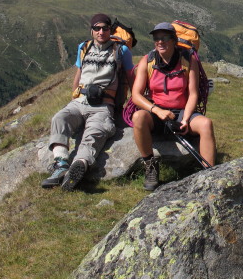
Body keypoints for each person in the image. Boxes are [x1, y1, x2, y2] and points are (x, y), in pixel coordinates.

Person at [41, 14, 134, 191]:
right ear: (91, 30)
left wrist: (134, 101)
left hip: (103, 104)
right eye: (97, 28)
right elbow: (79, 73)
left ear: (110, 30)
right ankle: (61, 164)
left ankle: (79, 165)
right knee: (60, 119)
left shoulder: (121, 50)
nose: (101, 32)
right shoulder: (83, 47)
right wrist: (74, 97)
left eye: (105, 28)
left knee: (96, 131)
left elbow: (131, 77)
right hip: (80, 100)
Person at [131, 22, 216, 191]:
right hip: (157, 113)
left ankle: (210, 176)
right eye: (156, 38)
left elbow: (192, 94)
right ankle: (150, 165)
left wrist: (185, 120)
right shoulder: (147, 60)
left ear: (174, 40)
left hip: (182, 112)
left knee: (206, 124)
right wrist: (157, 110)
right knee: (138, 117)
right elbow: (136, 96)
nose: (160, 42)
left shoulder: (188, 60)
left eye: (164, 38)